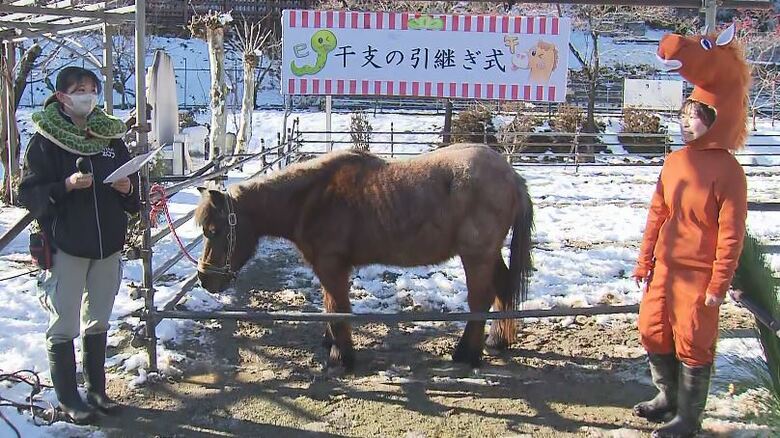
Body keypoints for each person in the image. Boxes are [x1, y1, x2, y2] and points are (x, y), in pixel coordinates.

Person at [18, 66, 140, 424]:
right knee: (64, 321)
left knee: (98, 319)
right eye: (80, 89)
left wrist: (128, 189)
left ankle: (97, 390)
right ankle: (69, 397)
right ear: (62, 97)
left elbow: (135, 195)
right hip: (66, 244)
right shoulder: (45, 141)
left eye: (92, 88)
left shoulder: (109, 138)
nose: (87, 95)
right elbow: (29, 192)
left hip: (108, 245)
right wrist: (66, 186)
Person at [632, 98, 747, 438]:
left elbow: (731, 233)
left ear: (713, 121)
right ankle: (667, 396)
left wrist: (719, 283)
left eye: (694, 118)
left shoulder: (729, 171)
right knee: (652, 330)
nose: (685, 124)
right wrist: (645, 260)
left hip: (700, 272)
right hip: (665, 266)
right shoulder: (674, 162)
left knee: (694, 340)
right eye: (682, 117)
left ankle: (687, 417)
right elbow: (658, 213)